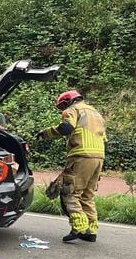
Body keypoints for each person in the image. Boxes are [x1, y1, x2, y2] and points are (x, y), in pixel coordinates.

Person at [36, 90, 106, 243]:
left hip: (81, 155)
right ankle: (91, 230)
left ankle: (79, 227)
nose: (62, 110)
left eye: (62, 106)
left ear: (68, 101)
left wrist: (45, 133)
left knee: (70, 192)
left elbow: (66, 128)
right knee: (87, 195)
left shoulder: (73, 110)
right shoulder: (95, 113)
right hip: (99, 156)